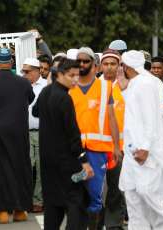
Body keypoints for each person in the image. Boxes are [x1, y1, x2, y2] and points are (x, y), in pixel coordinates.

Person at [33, 58, 93, 230]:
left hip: (47, 161)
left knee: (53, 205)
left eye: (77, 75)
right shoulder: (64, 98)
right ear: (59, 74)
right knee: (76, 202)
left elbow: (35, 111)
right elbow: (73, 134)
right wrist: (84, 161)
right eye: (70, 75)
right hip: (66, 162)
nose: (75, 79)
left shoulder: (45, 92)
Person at [0, 48, 35, 224]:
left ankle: (2, 212)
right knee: (20, 168)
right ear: (11, 62)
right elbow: (30, 99)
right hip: (17, 131)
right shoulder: (23, 83)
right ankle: (19, 210)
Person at [69, 47, 122, 230]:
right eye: (79, 61)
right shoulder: (69, 86)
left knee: (94, 194)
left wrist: (116, 146)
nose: (82, 64)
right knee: (74, 191)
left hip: (97, 151)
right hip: (73, 150)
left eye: (86, 61)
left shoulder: (105, 87)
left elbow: (112, 118)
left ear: (94, 64)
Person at [118, 50, 163, 229]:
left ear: (126, 66)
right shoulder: (137, 83)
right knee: (134, 203)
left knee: (153, 203)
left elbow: (151, 118)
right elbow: (133, 116)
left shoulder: (145, 84)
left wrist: (145, 147)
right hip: (133, 153)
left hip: (146, 155)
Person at [100, 49, 127, 230]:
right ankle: (96, 221)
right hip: (97, 147)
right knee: (97, 191)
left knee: (116, 189)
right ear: (100, 66)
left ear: (119, 66)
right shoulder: (95, 86)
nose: (109, 67)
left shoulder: (126, 87)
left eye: (113, 64)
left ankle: (114, 224)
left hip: (121, 148)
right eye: (106, 63)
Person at [21, 57, 47, 213]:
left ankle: (38, 200)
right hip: (24, 132)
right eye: (23, 71)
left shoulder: (45, 86)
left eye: (27, 71)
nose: (24, 74)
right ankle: (25, 200)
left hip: (42, 132)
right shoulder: (21, 85)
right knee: (26, 167)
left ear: (37, 71)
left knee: (41, 167)